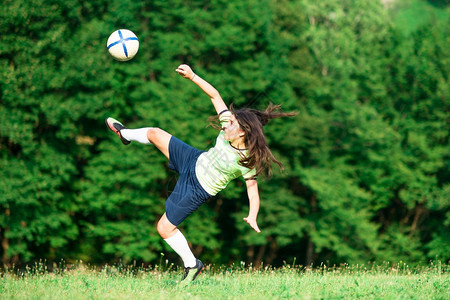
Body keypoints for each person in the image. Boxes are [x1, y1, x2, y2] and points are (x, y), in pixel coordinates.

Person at [105, 64, 296, 285]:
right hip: (193, 159)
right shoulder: (228, 126)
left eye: (231, 123)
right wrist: (192, 76)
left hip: (198, 189)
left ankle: (192, 264)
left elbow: (252, 190)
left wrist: (253, 214)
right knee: (154, 133)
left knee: (164, 228)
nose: (226, 124)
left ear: (242, 131)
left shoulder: (246, 159)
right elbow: (215, 95)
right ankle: (124, 134)